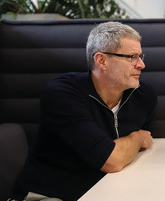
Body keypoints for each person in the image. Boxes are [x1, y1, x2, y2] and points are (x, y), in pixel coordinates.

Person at [10, 22, 157, 201]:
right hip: (48, 195)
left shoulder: (143, 96)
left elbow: (142, 150)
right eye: (132, 57)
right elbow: (112, 160)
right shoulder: (62, 93)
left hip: (109, 192)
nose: (142, 64)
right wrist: (136, 138)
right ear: (101, 60)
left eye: (140, 56)